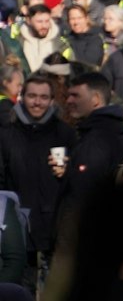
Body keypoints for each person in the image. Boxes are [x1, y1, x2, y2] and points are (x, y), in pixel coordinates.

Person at [0, 71, 74, 273]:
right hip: (17, 227)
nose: (37, 103)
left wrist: (68, 171)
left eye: (43, 97)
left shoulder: (65, 133)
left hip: (55, 228)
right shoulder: (7, 132)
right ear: (22, 97)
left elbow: (80, 181)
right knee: (23, 296)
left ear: (51, 100)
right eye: (32, 96)